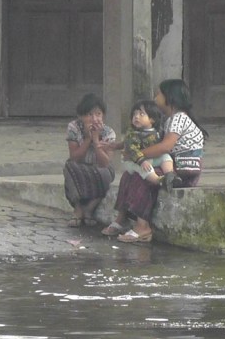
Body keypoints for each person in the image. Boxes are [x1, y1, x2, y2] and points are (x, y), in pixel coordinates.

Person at [106, 79, 208, 243]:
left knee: (144, 176)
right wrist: (120, 147)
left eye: (159, 94)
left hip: (182, 171)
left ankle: (143, 226)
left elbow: (165, 147)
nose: (155, 98)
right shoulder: (170, 120)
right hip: (173, 167)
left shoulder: (179, 119)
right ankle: (122, 217)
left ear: (170, 97)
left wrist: (136, 155)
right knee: (129, 175)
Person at [64, 93, 116, 227]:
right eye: (89, 115)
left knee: (107, 174)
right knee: (69, 167)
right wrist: (87, 139)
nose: (94, 119)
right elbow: (74, 157)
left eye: (98, 114)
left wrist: (96, 139)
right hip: (81, 166)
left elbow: (105, 163)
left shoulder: (109, 132)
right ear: (80, 116)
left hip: (98, 168)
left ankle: (89, 209)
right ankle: (78, 209)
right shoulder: (74, 128)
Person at [121, 100, 174, 188]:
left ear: (152, 119)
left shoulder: (157, 131)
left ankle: (170, 175)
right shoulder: (133, 134)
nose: (136, 117)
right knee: (145, 169)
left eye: (141, 114)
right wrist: (141, 161)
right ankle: (159, 181)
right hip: (134, 162)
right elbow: (132, 150)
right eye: (134, 114)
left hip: (150, 159)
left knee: (166, 156)